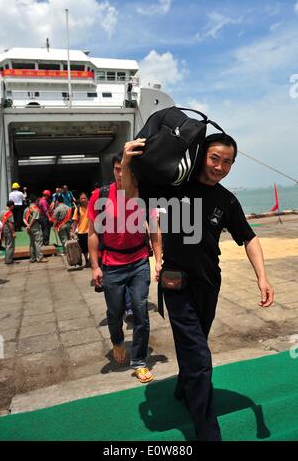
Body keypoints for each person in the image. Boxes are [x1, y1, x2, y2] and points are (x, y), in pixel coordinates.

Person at [121, 133, 274, 441]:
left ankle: (184, 386)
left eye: (227, 162)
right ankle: (207, 430)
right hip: (175, 281)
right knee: (199, 355)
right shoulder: (174, 185)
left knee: (196, 342)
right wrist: (126, 161)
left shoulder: (227, 199)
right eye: (214, 158)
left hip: (209, 283)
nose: (220, 167)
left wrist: (262, 277)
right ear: (202, 155)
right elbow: (132, 195)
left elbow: (249, 237)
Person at [88, 152, 162, 383]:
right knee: (115, 311)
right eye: (117, 169)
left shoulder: (143, 195)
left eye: (126, 169)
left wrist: (159, 260)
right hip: (112, 264)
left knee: (140, 310)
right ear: (113, 170)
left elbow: (154, 229)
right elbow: (92, 233)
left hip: (139, 260)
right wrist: (94, 266)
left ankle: (139, 361)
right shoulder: (99, 196)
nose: (121, 174)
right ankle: (117, 341)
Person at [23, 194, 48, 263]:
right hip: (35, 228)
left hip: (29, 229)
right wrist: (30, 226)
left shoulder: (26, 209)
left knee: (31, 243)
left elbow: (24, 219)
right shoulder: (35, 208)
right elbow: (34, 218)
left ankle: (32, 258)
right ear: (36, 201)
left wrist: (28, 226)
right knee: (38, 243)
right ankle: (39, 258)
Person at [71, 192, 90, 267]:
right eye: (81, 198)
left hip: (91, 231)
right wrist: (72, 231)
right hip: (82, 232)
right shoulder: (77, 209)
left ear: (87, 199)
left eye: (84, 198)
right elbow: (75, 222)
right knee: (84, 249)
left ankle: (92, 261)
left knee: (92, 247)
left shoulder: (92, 207)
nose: (82, 200)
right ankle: (87, 261)